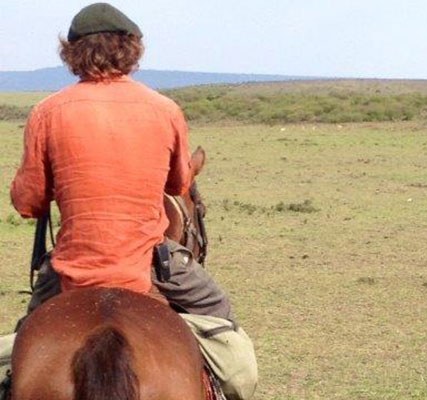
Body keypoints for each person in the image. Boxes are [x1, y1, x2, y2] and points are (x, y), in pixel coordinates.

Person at [0, 3, 257, 400]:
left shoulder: (46, 112)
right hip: (153, 262)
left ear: (71, 53)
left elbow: (28, 202)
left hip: (72, 265)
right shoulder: (165, 109)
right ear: (131, 49)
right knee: (227, 335)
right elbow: (179, 183)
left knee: (24, 342)